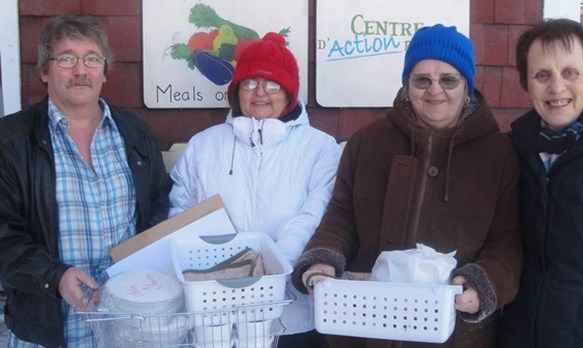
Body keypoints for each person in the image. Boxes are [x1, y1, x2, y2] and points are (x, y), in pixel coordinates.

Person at [291, 24, 523, 348]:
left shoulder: (499, 156)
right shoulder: (366, 143)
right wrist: (323, 258)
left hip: (455, 336)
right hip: (364, 328)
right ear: (407, 84)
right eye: (422, 79)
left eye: (448, 80)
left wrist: (484, 284)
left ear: (466, 86)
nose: (434, 90)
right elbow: (341, 215)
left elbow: (508, 241)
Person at [0, 15, 170, 347]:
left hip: (128, 326)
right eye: (66, 58)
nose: (81, 70)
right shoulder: (11, 141)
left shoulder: (134, 133)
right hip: (49, 330)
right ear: (45, 71)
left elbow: (158, 207)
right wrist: (55, 276)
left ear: (104, 72)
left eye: (92, 59)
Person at [168, 32, 342, 347]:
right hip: (216, 316)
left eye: (273, 84)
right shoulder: (203, 145)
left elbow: (316, 215)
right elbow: (181, 213)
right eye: (250, 83)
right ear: (236, 90)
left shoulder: (320, 147)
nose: (261, 92)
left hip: (293, 312)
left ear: (290, 93)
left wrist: (269, 270)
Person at [498, 18, 583, 348]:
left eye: (570, 72)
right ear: (526, 86)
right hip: (518, 334)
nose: (556, 87)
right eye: (542, 75)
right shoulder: (513, 150)